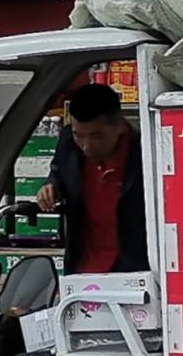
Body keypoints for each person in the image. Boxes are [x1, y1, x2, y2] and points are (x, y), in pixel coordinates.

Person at [37, 83, 148, 275]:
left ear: (120, 126)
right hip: (82, 267)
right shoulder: (68, 143)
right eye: (78, 135)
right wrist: (51, 186)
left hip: (133, 268)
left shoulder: (145, 153)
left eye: (97, 136)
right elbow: (58, 171)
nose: (86, 146)